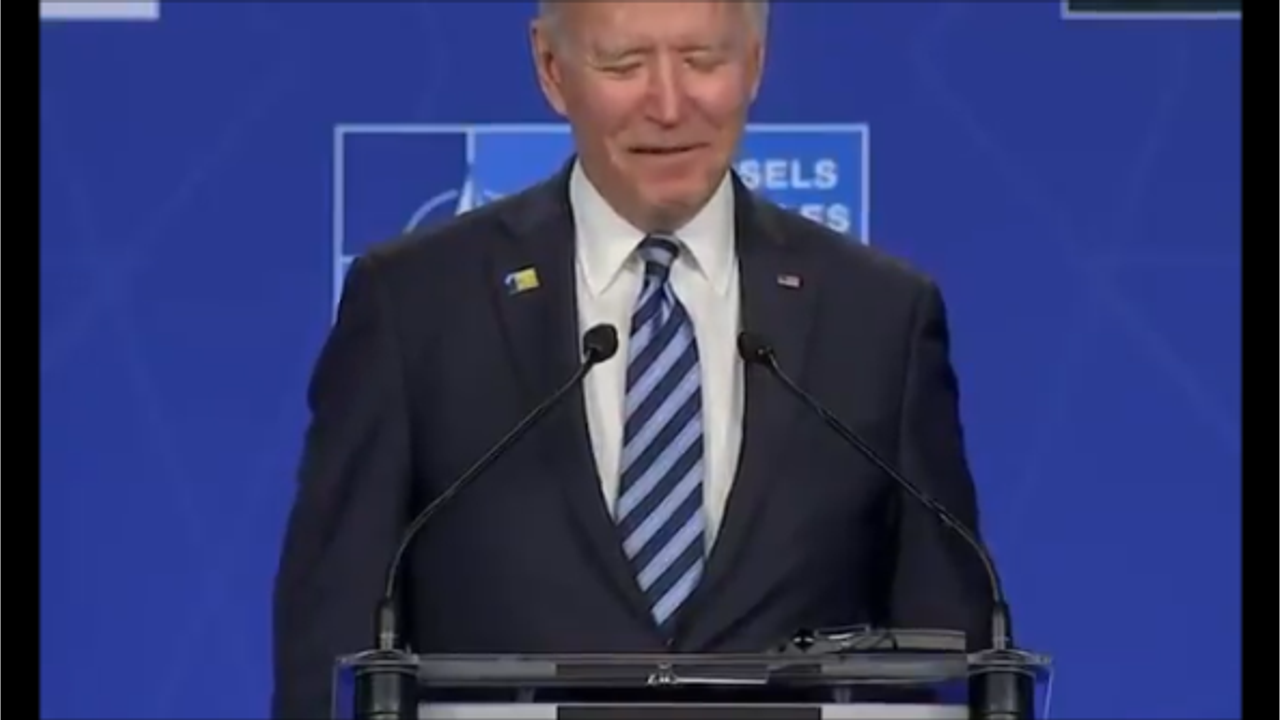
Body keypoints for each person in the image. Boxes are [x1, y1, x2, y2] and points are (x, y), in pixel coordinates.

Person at [270, 2, 993, 717]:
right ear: (551, 69)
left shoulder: (879, 316)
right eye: (625, 64)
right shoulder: (416, 304)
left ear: (755, 63)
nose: (669, 106)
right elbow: (332, 637)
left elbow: (947, 648)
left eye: (701, 60)